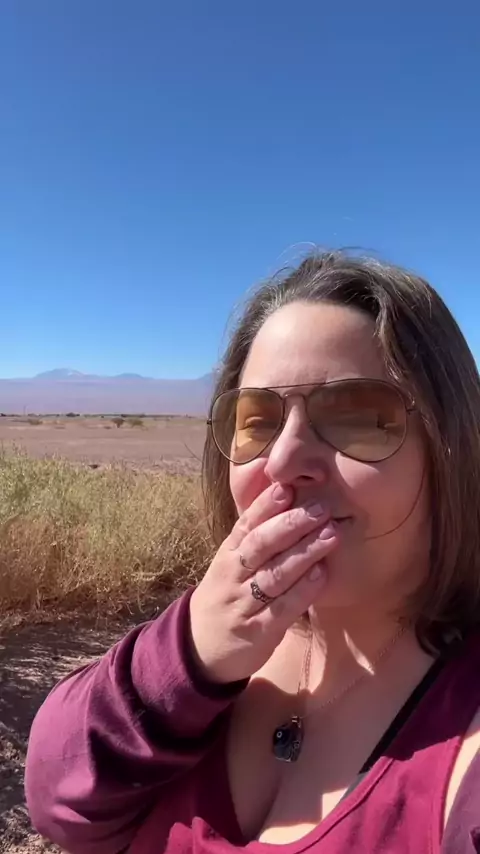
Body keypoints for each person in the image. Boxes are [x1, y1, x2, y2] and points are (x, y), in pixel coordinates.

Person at [25, 251, 480, 854]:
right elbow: (58, 801)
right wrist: (188, 657)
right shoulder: (216, 644)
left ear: (450, 445)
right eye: (257, 420)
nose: (283, 460)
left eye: (356, 417)